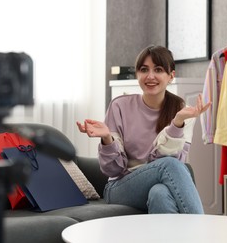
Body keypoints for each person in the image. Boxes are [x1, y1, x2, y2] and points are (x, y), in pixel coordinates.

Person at [77, 45, 211, 214]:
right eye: (144, 69)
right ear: (137, 74)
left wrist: (177, 124)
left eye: (158, 69)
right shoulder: (120, 106)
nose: (150, 76)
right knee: (169, 166)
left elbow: (176, 163)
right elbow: (113, 170)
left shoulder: (183, 112)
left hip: (159, 182)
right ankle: (201, 231)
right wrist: (107, 140)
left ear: (171, 76)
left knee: (160, 193)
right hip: (120, 187)